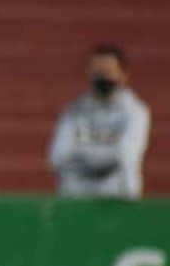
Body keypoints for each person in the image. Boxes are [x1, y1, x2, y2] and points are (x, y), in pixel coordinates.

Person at [48, 43, 151, 199]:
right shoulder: (72, 111)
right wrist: (108, 155)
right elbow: (57, 156)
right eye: (97, 72)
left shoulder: (135, 113)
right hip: (76, 200)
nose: (102, 77)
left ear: (123, 75)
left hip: (118, 200)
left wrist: (81, 155)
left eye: (107, 72)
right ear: (88, 73)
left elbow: (126, 155)